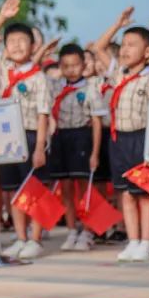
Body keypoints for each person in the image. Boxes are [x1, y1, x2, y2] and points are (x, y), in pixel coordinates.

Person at [93, 7, 149, 262]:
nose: (124, 49)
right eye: (123, 44)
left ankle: (146, 241)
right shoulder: (118, 73)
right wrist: (117, 24)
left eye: (131, 45)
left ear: (147, 53)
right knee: (125, 192)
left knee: (144, 193)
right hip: (119, 139)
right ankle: (132, 239)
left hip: (143, 138)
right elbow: (99, 48)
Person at [0, 0, 52, 259]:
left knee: (32, 188)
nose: (17, 46)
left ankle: (35, 238)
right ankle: (20, 237)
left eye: (23, 41)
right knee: (13, 188)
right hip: (5, 135)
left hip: (31, 134)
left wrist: (39, 147)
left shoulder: (37, 77)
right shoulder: (3, 68)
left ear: (33, 47)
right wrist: (2, 16)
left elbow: (43, 113)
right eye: (12, 42)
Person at [48, 43, 106, 252]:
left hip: (82, 136)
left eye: (75, 65)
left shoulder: (90, 89)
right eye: (66, 66)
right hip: (61, 136)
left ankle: (88, 231)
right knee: (65, 188)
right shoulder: (55, 86)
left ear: (84, 65)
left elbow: (97, 122)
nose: (71, 69)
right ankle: (72, 229)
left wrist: (95, 153)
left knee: (84, 188)